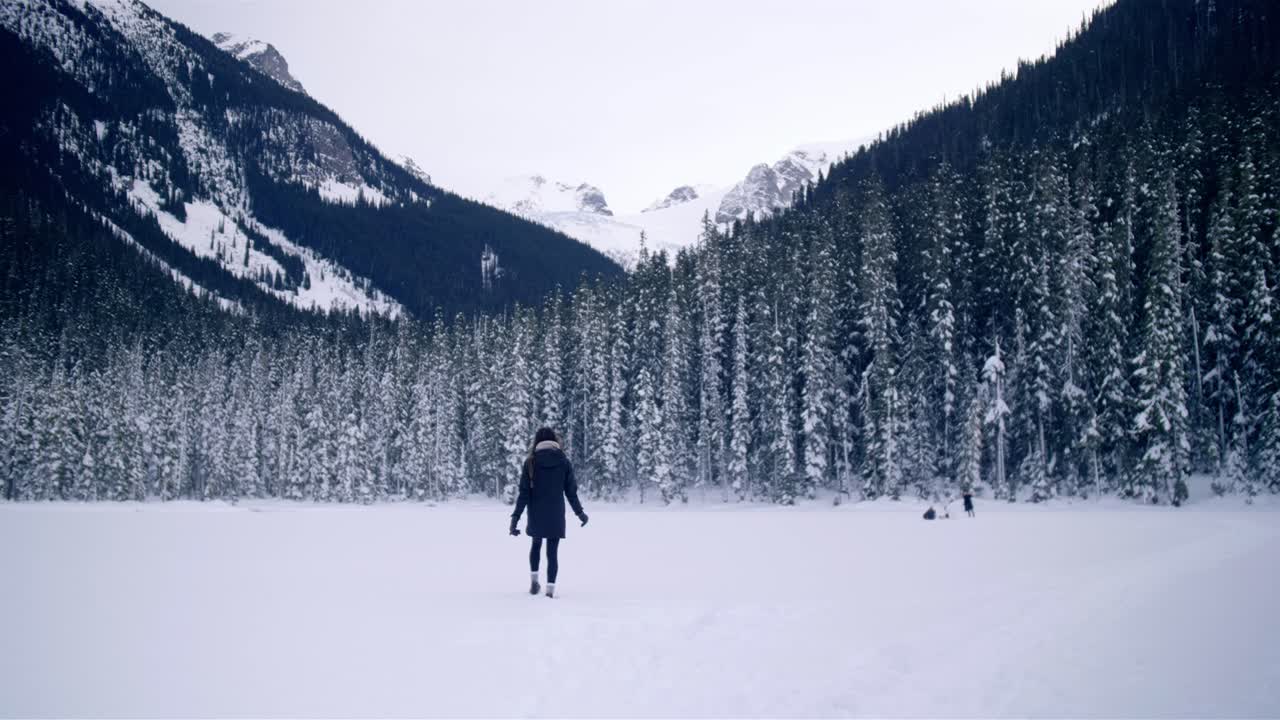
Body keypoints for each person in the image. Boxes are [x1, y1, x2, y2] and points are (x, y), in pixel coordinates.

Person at [509, 427, 588, 598]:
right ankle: (550, 591)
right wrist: (580, 513)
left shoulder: (530, 462)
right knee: (552, 552)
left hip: (536, 512)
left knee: (536, 545)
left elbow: (524, 493)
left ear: (537, 442)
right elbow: (571, 492)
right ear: (554, 440)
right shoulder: (564, 461)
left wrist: (515, 518)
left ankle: (534, 582)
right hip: (555, 514)